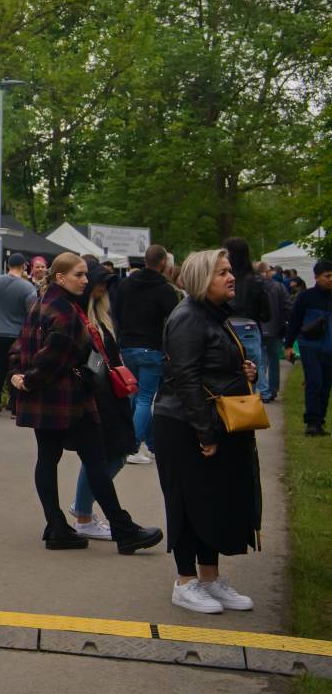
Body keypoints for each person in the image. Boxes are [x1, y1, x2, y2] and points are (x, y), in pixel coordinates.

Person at [9, 252, 163, 553]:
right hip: (70, 399)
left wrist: (20, 374)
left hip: (48, 399)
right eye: (78, 275)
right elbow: (56, 357)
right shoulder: (65, 312)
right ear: (60, 277)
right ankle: (122, 529)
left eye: (85, 274)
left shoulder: (41, 305)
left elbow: (21, 346)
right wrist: (31, 377)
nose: (85, 280)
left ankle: (58, 527)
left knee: (50, 459)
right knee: (94, 461)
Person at [152, 249, 262, 614]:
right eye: (221, 273)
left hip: (208, 422)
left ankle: (211, 579)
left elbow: (213, 368)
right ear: (202, 279)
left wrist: (246, 373)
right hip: (184, 424)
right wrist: (205, 434)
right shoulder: (188, 318)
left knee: (211, 502)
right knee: (186, 502)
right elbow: (185, 379)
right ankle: (185, 583)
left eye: (230, 271)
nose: (231, 277)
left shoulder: (214, 316)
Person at [68, 262, 139, 538]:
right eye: (98, 281)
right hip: (96, 395)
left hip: (112, 394)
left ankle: (83, 509)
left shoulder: (102, 315)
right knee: (105, 456)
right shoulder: (80, 317)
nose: (101, 286)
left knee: (112, 455)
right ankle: (84, 514)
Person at [112, 244, 181, 463]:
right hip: (151, 348)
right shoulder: (166, 290)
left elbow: (116, 313)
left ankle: (151, 444)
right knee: (145, 399)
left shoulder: (126, 284)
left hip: (127, 346)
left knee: (134, 395)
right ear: (163, 263)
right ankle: (132, 446)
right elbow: (174, 322)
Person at [0, 252, 37, 416]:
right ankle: (15, 408)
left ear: (7, 265)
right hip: (18, 335)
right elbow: (32, 311)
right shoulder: (27, 287)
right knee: (16, 370)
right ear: (24, 266)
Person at [284, 259, 332, 436]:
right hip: (309, 346)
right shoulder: (306, 297)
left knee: (326, 385)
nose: (331, 279)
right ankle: (311, 422)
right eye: (327, 276)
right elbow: (295, 322)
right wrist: (288, 345)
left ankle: (320, 421)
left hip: (329, 347)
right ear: (316, 277)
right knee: (314, 382)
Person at [223, 238, 271, 394]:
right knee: (251, 381)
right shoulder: (257, 281)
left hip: (227, 330)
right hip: (249, 330)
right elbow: (266, 314)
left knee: (226, 380)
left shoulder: (224, 280)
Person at [256, 261, 287, 404]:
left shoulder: (254, 286)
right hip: (275, 328)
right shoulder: (278, 286)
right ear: (267, 272)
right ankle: (272, 389)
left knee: (260, 361)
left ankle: (263, 391)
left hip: (257, 329)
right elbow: (287, 306)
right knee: (274, 360)